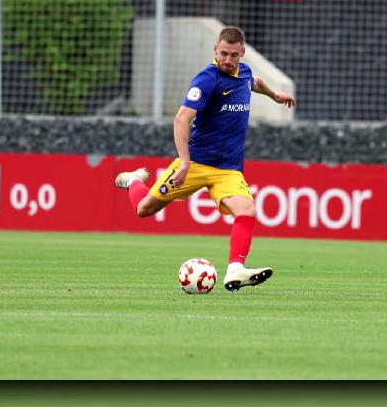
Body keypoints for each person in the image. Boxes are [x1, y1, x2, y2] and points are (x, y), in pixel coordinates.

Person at [114, 26, 297, 291]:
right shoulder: (207, 79)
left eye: (234, 55)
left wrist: (274, 95)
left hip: (228, 169)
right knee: (144, 209)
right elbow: (181, 119)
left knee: (247, 211)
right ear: (215, 49)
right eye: (223, 53)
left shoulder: (243, 72)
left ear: (242, 54)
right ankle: (132, 180)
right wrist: (185, 163)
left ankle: (235, 270)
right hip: (196, 163)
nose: (227, 60)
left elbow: (254, 81)